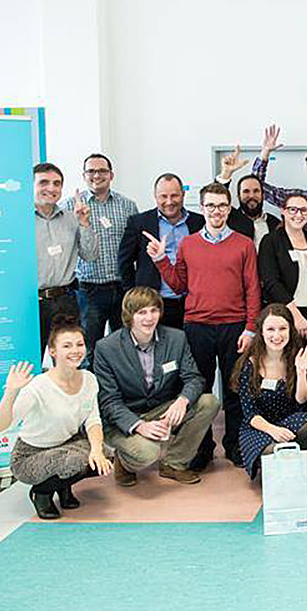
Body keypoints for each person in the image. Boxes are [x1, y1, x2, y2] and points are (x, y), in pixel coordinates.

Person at [147, 182, 260, 469]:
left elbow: (252, 288)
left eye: (221, 205)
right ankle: (202, 448)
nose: (216, 211)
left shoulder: (244, 244)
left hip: (235, 326)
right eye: (210, 205)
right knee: (199, 390)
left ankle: (235, 445)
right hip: (197, 326)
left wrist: (250, 328)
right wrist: (160, 259)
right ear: (201, 208)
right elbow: (178, 285)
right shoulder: (188, 244)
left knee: (235, 390)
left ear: (229, 208)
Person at [94, 287, 220, 485]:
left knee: (209, 402)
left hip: (159, 409)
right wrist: (139, 426)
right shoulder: (106, 348)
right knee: (148, 453)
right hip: (124, 418)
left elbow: (194, 378)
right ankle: (124, 462)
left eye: (154, 310)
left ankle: (174, 464)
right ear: (129, 315)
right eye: (141, 312)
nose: (149, 318)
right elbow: (109, 402)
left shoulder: (176, 338)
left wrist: (182, 401)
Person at [0, 317, 112, 519]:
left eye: (79, 344)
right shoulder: (38, 386)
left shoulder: (89, 379)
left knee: (106, 454)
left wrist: (96, 450)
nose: (75, 350)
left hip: (67, 444)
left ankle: (63, 487)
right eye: (67, 346)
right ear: (52, 351)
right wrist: (11, 392)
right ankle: (41, 492)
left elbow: (93, 420)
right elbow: (0, 427)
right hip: (30, 456)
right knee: (77, 460)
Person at [63, 153, 137, 359]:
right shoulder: (69, 207)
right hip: (88, 290)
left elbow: (135, 247)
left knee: (125, 347)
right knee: (87, 348)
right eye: (91, 171)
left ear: (111, 175)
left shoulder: (128, 206)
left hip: (122, 289)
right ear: (84, 175)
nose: (97, 175)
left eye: (102, 171)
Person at [233, 304, 307, 480]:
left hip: (289, 420)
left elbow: (301, 401)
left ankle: (302, 476)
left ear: (290, 330)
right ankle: (281, 478)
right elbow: (250, 414)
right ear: (261, 332)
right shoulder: (249, 365)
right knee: (273, 452)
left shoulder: (297, 357)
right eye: (270, 329)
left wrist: (301, 372)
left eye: (282, 329)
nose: (277, 335)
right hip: (260, 426)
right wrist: (273, 430)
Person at [117, 173, 205, 329]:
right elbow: (125, 262)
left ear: (183, 194)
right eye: (163, 196)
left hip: (191, 303)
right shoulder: (139, 223)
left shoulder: (199, 222)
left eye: (174, 195)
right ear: (155, 196)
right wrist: (134, 294)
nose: (169, 202)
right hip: (152, 303)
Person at [34, 162, 98, 349]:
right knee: (32, 357)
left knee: (69, 357)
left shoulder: (72, 218)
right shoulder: (19, 220)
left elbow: (90, 255)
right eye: (43, 182)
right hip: (33, 303)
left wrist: (84, 223)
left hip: (66, 301)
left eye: (57, 183)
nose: (51, 188)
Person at [258, 193, 307, 348]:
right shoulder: (271, 241)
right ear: (283, 211)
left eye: (303, 210)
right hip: (283, 316)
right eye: (293, 209)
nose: (298, 215)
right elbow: (271, 282)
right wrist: (296, 315)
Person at [216, 147, 283, 248]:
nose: (251, 196)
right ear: (238, 196)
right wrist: (226, 173)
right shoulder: (228, 218)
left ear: (263, 195)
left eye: (256, 191)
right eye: (246, 191)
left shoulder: (275, 223)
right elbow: (216, 198)